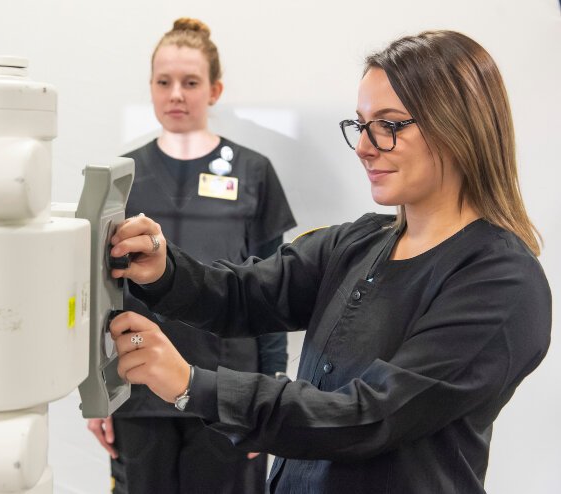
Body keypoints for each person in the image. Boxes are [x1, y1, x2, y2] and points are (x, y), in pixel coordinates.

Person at [105, 30, 552, 493]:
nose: (364, 147)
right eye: (361, 125)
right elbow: (243, 294)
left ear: (459, 127)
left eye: (389, 125)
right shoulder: (359, 242)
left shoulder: (501, 282)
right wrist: (163, 269)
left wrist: (191, 385)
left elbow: (368, 415)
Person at [86, 18, 297, 494]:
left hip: (227, 394)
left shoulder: (253, 172)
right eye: (164, 82)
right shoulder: (125, 176)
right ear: (151, 88)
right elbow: (101, 292)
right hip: (138, 393)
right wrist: (98, 393)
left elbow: (273, 291)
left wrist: (271, 398)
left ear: (215, 90)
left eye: (190, 82)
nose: (176, 94)